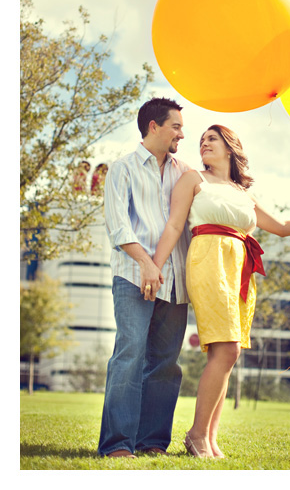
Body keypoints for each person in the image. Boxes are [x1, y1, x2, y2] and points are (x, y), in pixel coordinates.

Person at [152, 124, 290, 458]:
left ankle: (209, 439)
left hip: (240, 270)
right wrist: (155, 266)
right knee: (227, 350)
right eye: (202, 141)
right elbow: (173, 224)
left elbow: (283, 229)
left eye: (211, 139)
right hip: (208, 261)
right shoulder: (193, 179)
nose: (204, 144)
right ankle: (196, 435)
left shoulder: (243, 193)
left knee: (228, 353)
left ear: (230, 148)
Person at [98, 97, 192, 458]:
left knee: (166, 363)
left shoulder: (184, 172)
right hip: (132, 277)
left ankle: (152, 442)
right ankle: (117, 445)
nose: (181, 134)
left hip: (174, 281)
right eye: (176, 127)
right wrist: (146, 263)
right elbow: (118, 225)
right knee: (130, 355)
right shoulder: (122, 169)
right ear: (154, 126)